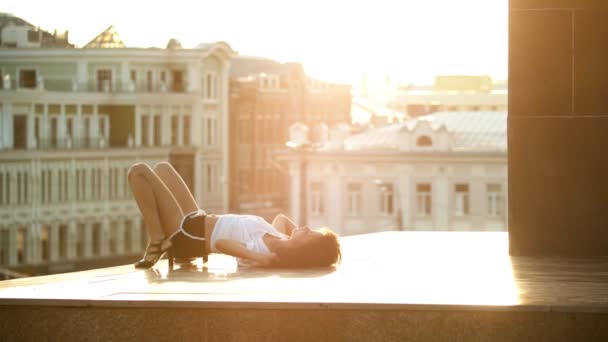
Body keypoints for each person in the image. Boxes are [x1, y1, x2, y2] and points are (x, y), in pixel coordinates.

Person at [127, 162, 341, 269]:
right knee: (163, 168)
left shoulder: (261, 252)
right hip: (198, 220)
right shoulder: (280, 239)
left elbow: (221, 243)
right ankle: (159, 240)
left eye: (310, 233)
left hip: (187, 236)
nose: (306, 227)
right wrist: (293, 239)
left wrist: (260, 258)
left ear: (305, 248)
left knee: (138, 172)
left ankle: (157, 240)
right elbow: (283, 219)